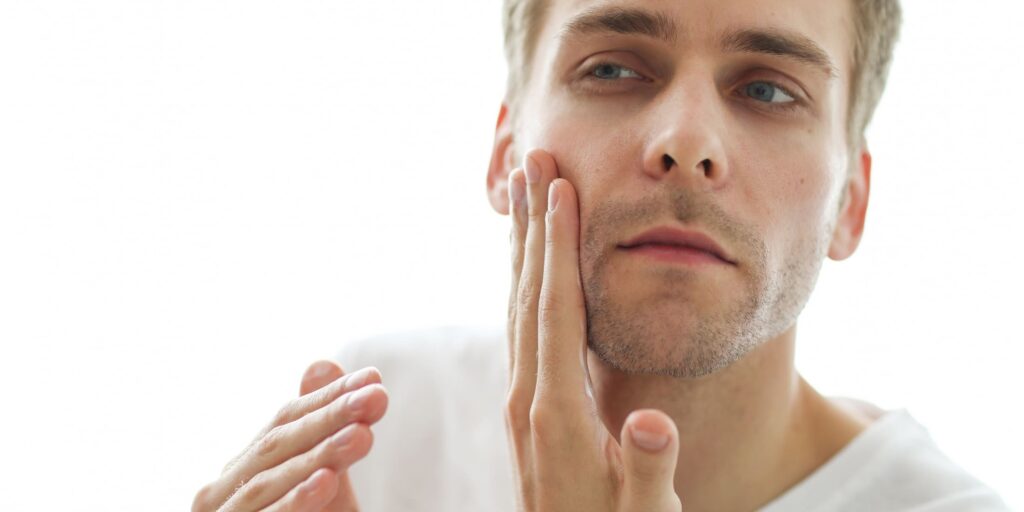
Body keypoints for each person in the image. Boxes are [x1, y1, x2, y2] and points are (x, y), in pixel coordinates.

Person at [193, 0, 1013, 510]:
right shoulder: (373, 435)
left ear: (852, 203)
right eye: (613, 68)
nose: (685, 141)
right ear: (504, 150)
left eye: (766, 89)